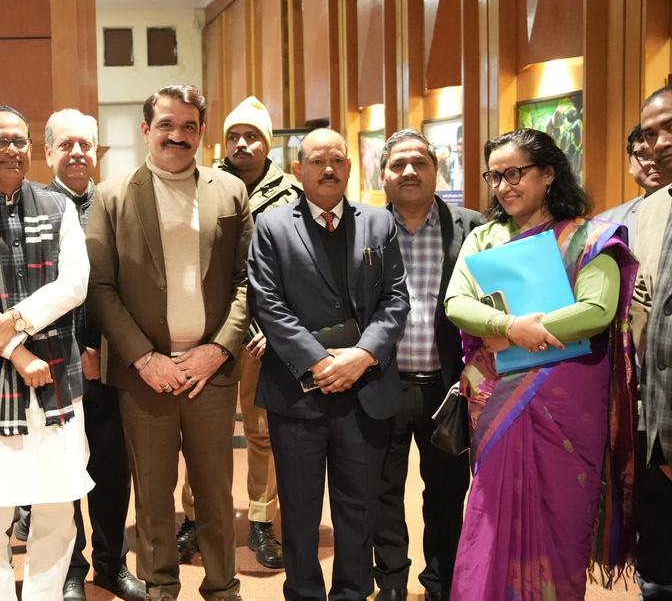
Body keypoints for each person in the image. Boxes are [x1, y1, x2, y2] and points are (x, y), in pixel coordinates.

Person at [444, 128, 637, 600]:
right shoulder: (484, 238)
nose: (503, 186)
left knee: (562, 518)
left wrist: (524, 330)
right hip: (499, 396)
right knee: (491, 515)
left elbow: (597, 310)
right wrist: (510, 326)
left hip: (569, 403)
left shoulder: (589, 238)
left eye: (515, 173)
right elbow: (456, 302)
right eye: (494, 176)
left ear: (549, 173)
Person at [87, 85, 250, 601]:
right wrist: (144, 357)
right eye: (166, 125)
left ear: (201, 132)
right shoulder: (112, 196)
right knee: (152, 493)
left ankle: (223, 588)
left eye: (188, 126)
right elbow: (101, 287)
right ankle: (160, 588)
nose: (177, 136)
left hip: (210, 373)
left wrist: (219, 349)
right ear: (146, 130)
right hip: (144, 377)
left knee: (216, 493)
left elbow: (247, 282)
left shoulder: (230, 192)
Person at [247, 127, 409, 601]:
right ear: (299, 170)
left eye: (337, 160)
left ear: (350, 167)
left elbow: (396, 298)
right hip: (297, 393)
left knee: (358, 507)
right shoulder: (272, 226)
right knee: (299, 510)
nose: (329, 169)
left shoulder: (378, 223)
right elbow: (267, 304)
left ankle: (352, 593)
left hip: (365, 388)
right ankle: (303, 593)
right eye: (317, 161)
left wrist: (362, 355)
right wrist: (319, 363)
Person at [0, 105, 93, 601]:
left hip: (57, 378)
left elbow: (75, 284)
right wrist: (17, 352)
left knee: (57, 507)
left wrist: (15, 323)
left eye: (20, 141)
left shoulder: (58, 207)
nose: (12, 149)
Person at [177, 95, 301, 570]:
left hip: (266, 336)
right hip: (209, 331)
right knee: (200, 433)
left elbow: (299, 269)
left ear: (267, 142)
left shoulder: (292, 194)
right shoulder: (201, 183)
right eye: (234, 136)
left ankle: (261, 521)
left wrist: (279, 328)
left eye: (252, 136)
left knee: (262, 432)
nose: (242, 144)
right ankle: (195, 518)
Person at [372, 130, 484, 601]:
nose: (409, 172)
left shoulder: (474, 227)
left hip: (448, 386)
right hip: (382, 382)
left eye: (419, 162)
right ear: (382, 175)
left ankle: (441, 582)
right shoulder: (367, 227)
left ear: (436, 169)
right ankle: (391, 582)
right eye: (398, 164)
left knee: (447, 490)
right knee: (382, 491)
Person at [40, 108, 145, 601]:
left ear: (97, 152)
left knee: (110, 468)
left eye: (85, 144)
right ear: (48, 153)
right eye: (66, 144)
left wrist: (105, 347)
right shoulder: (35, 207)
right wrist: (74, 347)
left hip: (111, 363)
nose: (77, 152)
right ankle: (69, 567)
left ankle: (110, 563)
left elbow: (129, 284)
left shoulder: (118, 206)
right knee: (61, 470)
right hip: (54, 364)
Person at [631, 86, 672, 599]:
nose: (660, 143)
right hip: (655, 426)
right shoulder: (650, 211)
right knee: (659, 574)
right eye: (649, 134)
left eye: (670, 127)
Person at [598, 124, 668, 243]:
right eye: (644, 155)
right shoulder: (606, 224)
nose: (655, 162)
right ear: (630, 163)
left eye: (664, 154)